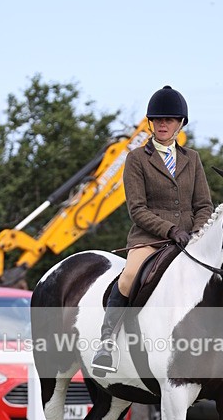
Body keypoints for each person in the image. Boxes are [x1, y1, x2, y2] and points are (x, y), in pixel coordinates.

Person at [92, 85, 214, 373]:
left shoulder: (192, 158)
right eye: (158, 119)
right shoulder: (135, 159)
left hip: (189, 240)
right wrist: (171, 230)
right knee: (129, 276)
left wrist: (196, 234)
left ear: (180, 123)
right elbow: (137, 209)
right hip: (149, 239)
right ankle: (106, 344)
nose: (163, 124)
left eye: (169, 120)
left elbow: (204, 205)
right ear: (151, 122)